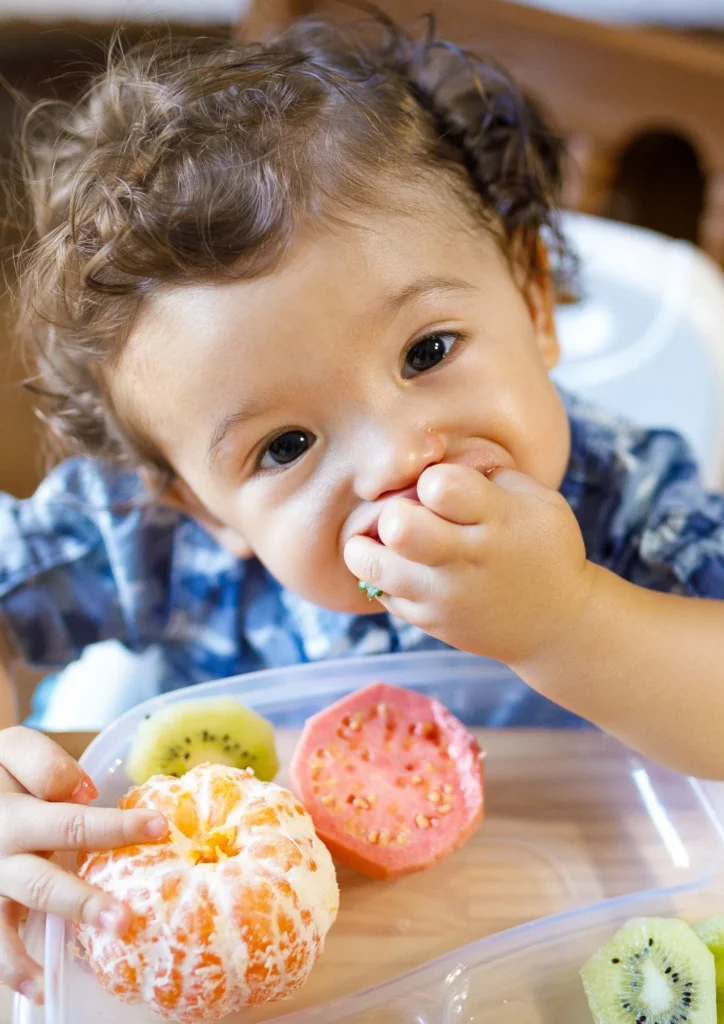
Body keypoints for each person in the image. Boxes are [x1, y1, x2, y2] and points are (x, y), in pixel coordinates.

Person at [1, 8, 724, 1000]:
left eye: (427, 352)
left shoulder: (632, 503)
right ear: (195, 501)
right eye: (284, 446)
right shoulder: (161, 540)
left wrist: (570, 618)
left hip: (558, 912)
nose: (393, 457)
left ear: (533, 300)